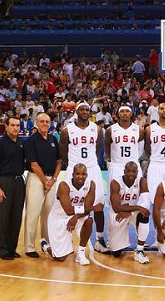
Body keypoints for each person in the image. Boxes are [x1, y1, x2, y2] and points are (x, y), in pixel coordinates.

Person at [59, 103, 106, 253]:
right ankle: (67, 239)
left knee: (98, 205)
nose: (85, 112)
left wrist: (90, 163)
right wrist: (72, 165)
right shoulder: (67, 131)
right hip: (74, 169)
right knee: (69, 205)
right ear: (76, 112)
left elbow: (99, 149)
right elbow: (63, 152)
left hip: (92, 168)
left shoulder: (97, 129)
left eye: (87, 109)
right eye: (82, 109)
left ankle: (99, 239)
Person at [41, 164, 102, 265]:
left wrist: (76, 216)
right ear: (72, 174)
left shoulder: (91, 185)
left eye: (83, 174)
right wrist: (94, 208)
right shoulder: (64, 186)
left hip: (76, 216)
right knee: (60, 258)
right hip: (58, 218)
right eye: (77, 174)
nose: (80, 176)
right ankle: (46, 246)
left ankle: (81, 253)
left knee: (89, 220)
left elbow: (87, 209)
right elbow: (68, 210)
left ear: (86, 175)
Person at [23, 113, 62, 258]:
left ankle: (46, 243)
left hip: (51, 179)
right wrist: (45, 182)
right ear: (37, 123)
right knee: (33, 213)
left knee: (48, 214)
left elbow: (59, 161)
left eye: (47, 121)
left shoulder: (53, 139)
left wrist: (53, 180)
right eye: (42, 121)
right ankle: (29, 247)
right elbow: (33, 164)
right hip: (36, 179)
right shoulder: (31, 140)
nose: (45, 124)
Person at [0, 117, 26, 260]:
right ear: (6, 126)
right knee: (2, 218)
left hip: (18, 182)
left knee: (16, 217)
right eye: (12, 125)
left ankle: (12, 248)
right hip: (3, 182)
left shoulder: (21, 143)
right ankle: (3, 250)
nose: (15, 128)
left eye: (18, 125)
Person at [107, 162, 150, 264]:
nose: (131, 174)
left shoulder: (142, 181)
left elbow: (146, 205)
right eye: (128, 171)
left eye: (133, 171)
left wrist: (130, 212)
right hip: (118, 215)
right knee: (116, 253)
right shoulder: (115, 183)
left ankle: (139, 250)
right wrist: (138, 207)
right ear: (124, 171)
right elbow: (116, 207)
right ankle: (114, 243)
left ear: (137, 172)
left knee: (144, 215)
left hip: (131, 213)